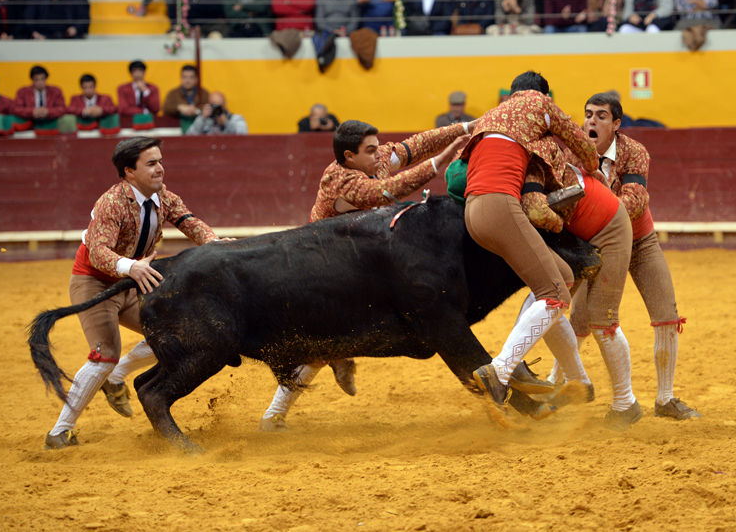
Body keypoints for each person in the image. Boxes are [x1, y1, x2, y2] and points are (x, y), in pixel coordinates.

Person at [259, 118, 474, 431]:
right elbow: (386, 191)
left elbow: (418, 143)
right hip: (323, 270)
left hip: (359, 263)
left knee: (334, 340)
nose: (380, 154)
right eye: (371, 150)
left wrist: (466, 128)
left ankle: (338, 357)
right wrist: (439, 163)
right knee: (324, 343)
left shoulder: (374, 158)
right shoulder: (341, 179)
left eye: (378, 147)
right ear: (350, 157)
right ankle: (275, 414)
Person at [44, 136, 226, 449]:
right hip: (95, 282)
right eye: (151, 164)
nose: (160, 169)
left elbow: (189, 221)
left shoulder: (163, 196)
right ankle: (59, 432)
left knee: (177, 335)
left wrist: (215, 244)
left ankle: (119, 376)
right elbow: (98, 250)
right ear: (130, 172)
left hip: (132, 282)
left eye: (159, 161)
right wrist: (131, 268)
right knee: (104, 356)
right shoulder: (111, 202)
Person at [560, 92, 701, 421]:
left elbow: (634, 202)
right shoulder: (573, 153)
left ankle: (665, 399)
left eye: (601, 116)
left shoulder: (634, 151)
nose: (592, 121)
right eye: (588, 114)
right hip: (596, 245)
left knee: (666, 312)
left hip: (639, 242)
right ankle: (561, 383)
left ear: (617, 125)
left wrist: (595, 205)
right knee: (580, 317)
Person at [464, 71, 598, 411]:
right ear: (542, 95)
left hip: (473, 211)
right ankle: (501, 369)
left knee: (564, 277)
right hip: (500, 205)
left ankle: (577, 380)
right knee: (555, 295)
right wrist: (594, 167)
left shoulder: (492, 117)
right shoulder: (540, 104)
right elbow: (582, 143)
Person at [519, 151, 640, 431]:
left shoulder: (541, 157)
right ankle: (576, 383)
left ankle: (626, 403)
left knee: (602, 318)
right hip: (576, 236)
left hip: (609, 229)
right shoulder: (539, 158)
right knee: (545, 302)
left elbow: (538, 211)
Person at [25, 0, 90, 39]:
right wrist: (34, 33)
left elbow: (83, 16)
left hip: (69, 38)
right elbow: (29, 16)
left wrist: (75, 28)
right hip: (43, 37)